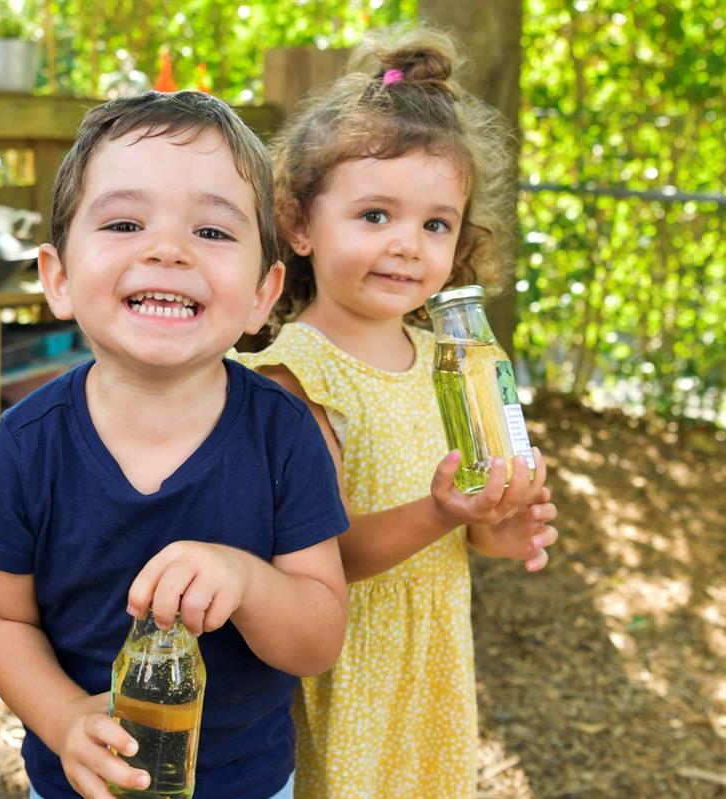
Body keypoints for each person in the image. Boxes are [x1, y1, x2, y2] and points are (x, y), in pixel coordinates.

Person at [0, 91, 350, 799]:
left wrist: (249, 581)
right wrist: (62, 715)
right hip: (82, 781)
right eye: (126, 222)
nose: (168, 249)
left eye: (214, 232)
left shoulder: (285, 435)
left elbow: (317, 640)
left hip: (249, 785)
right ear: (59, 278)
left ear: (264, 293)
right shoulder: (21, 447)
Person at [233, 26, 561, 799]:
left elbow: (465, 513)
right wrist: (443, 511)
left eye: (435, 223)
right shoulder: (291, 376)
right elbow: (323, 553)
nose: (407, 244)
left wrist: (494, 525)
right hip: (349, 664)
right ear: (300, 222)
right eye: (375, 215)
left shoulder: (450, 361)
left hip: (431, 657)